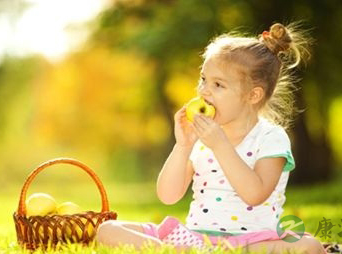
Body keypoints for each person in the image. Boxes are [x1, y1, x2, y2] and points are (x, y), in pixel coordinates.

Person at [97, 23, 325, 253]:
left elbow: (255, 194)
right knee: (107, 229)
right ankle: (176, 251)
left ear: (253, 95)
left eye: (218, 84)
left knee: (309, 247)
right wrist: (183, 146)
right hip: (195, 238)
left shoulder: (271, 137)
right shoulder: (201, 138)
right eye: (203, 79)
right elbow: (168, 195)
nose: (204, 91)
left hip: (251, 242)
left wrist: (220, 146)